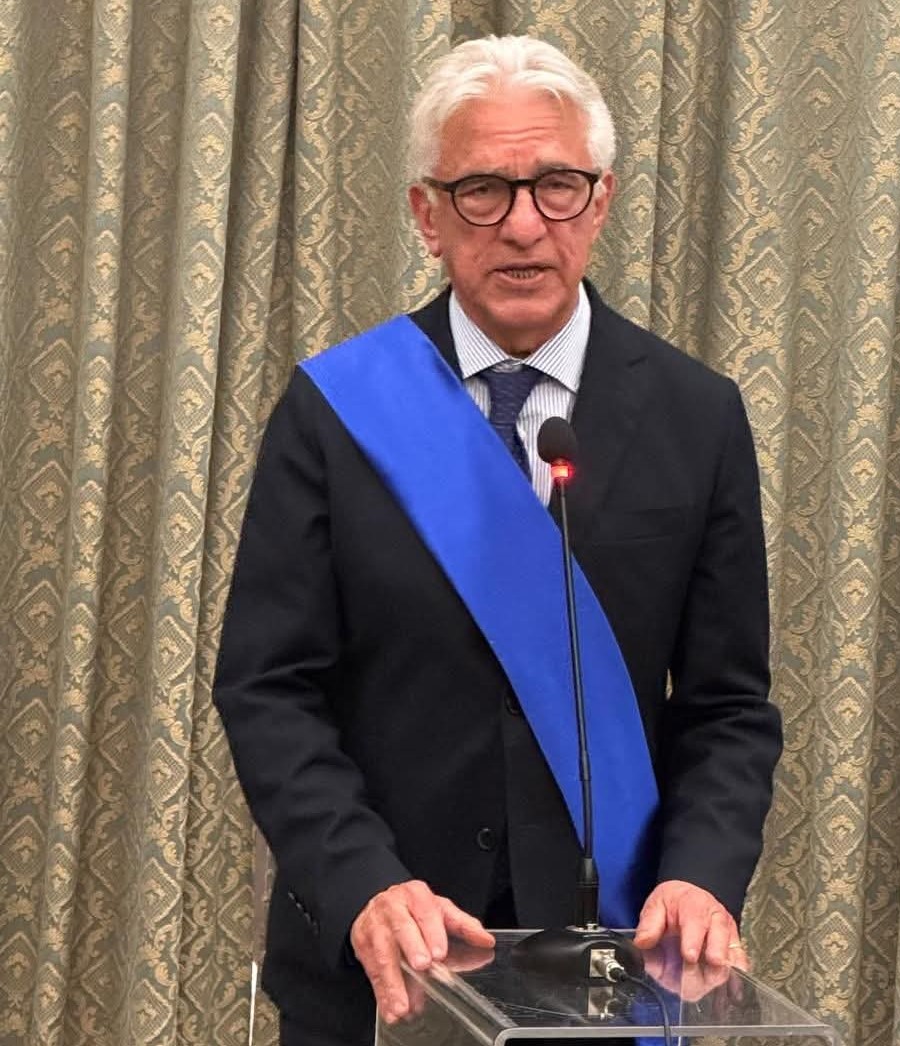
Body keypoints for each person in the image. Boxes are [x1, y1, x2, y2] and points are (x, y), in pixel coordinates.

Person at [213, 34, 782, 1046]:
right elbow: (269, 688)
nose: (523, 224)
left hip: (608, 963)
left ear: (600, 203)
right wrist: (365, 883)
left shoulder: (697, 416)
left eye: (556, 185)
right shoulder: (334, 411)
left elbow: (727, 706)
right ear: (426, 215)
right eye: (481, 190)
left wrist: (700, 874)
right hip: (384, 963)